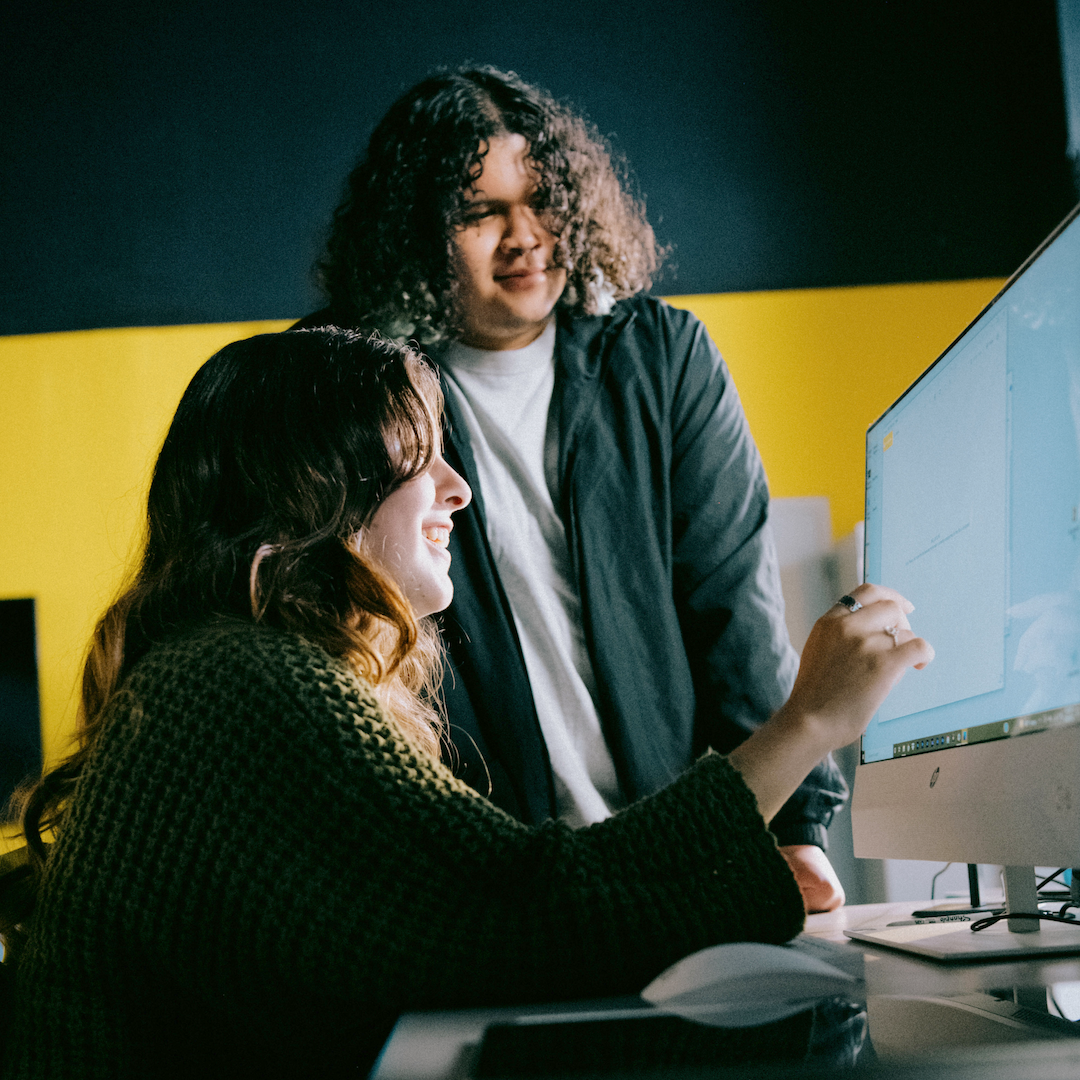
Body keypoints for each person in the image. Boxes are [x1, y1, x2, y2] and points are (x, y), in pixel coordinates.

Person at [0, 329, 931, 1078]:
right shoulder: (244, 682)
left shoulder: (218, 670)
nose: (459, 488)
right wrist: (805, 724)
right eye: (419, 456)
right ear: (318, 482)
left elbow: (509, 900)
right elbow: (535, 914)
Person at [299, 66, 849, 910]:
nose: (525, 236)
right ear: (414, 232)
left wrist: (798, 826)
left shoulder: (662, 358)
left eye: (541, 198)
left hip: (664, 853)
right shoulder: (353, 383)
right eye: (479, 211)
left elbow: (735, 606)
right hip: (476, 877)